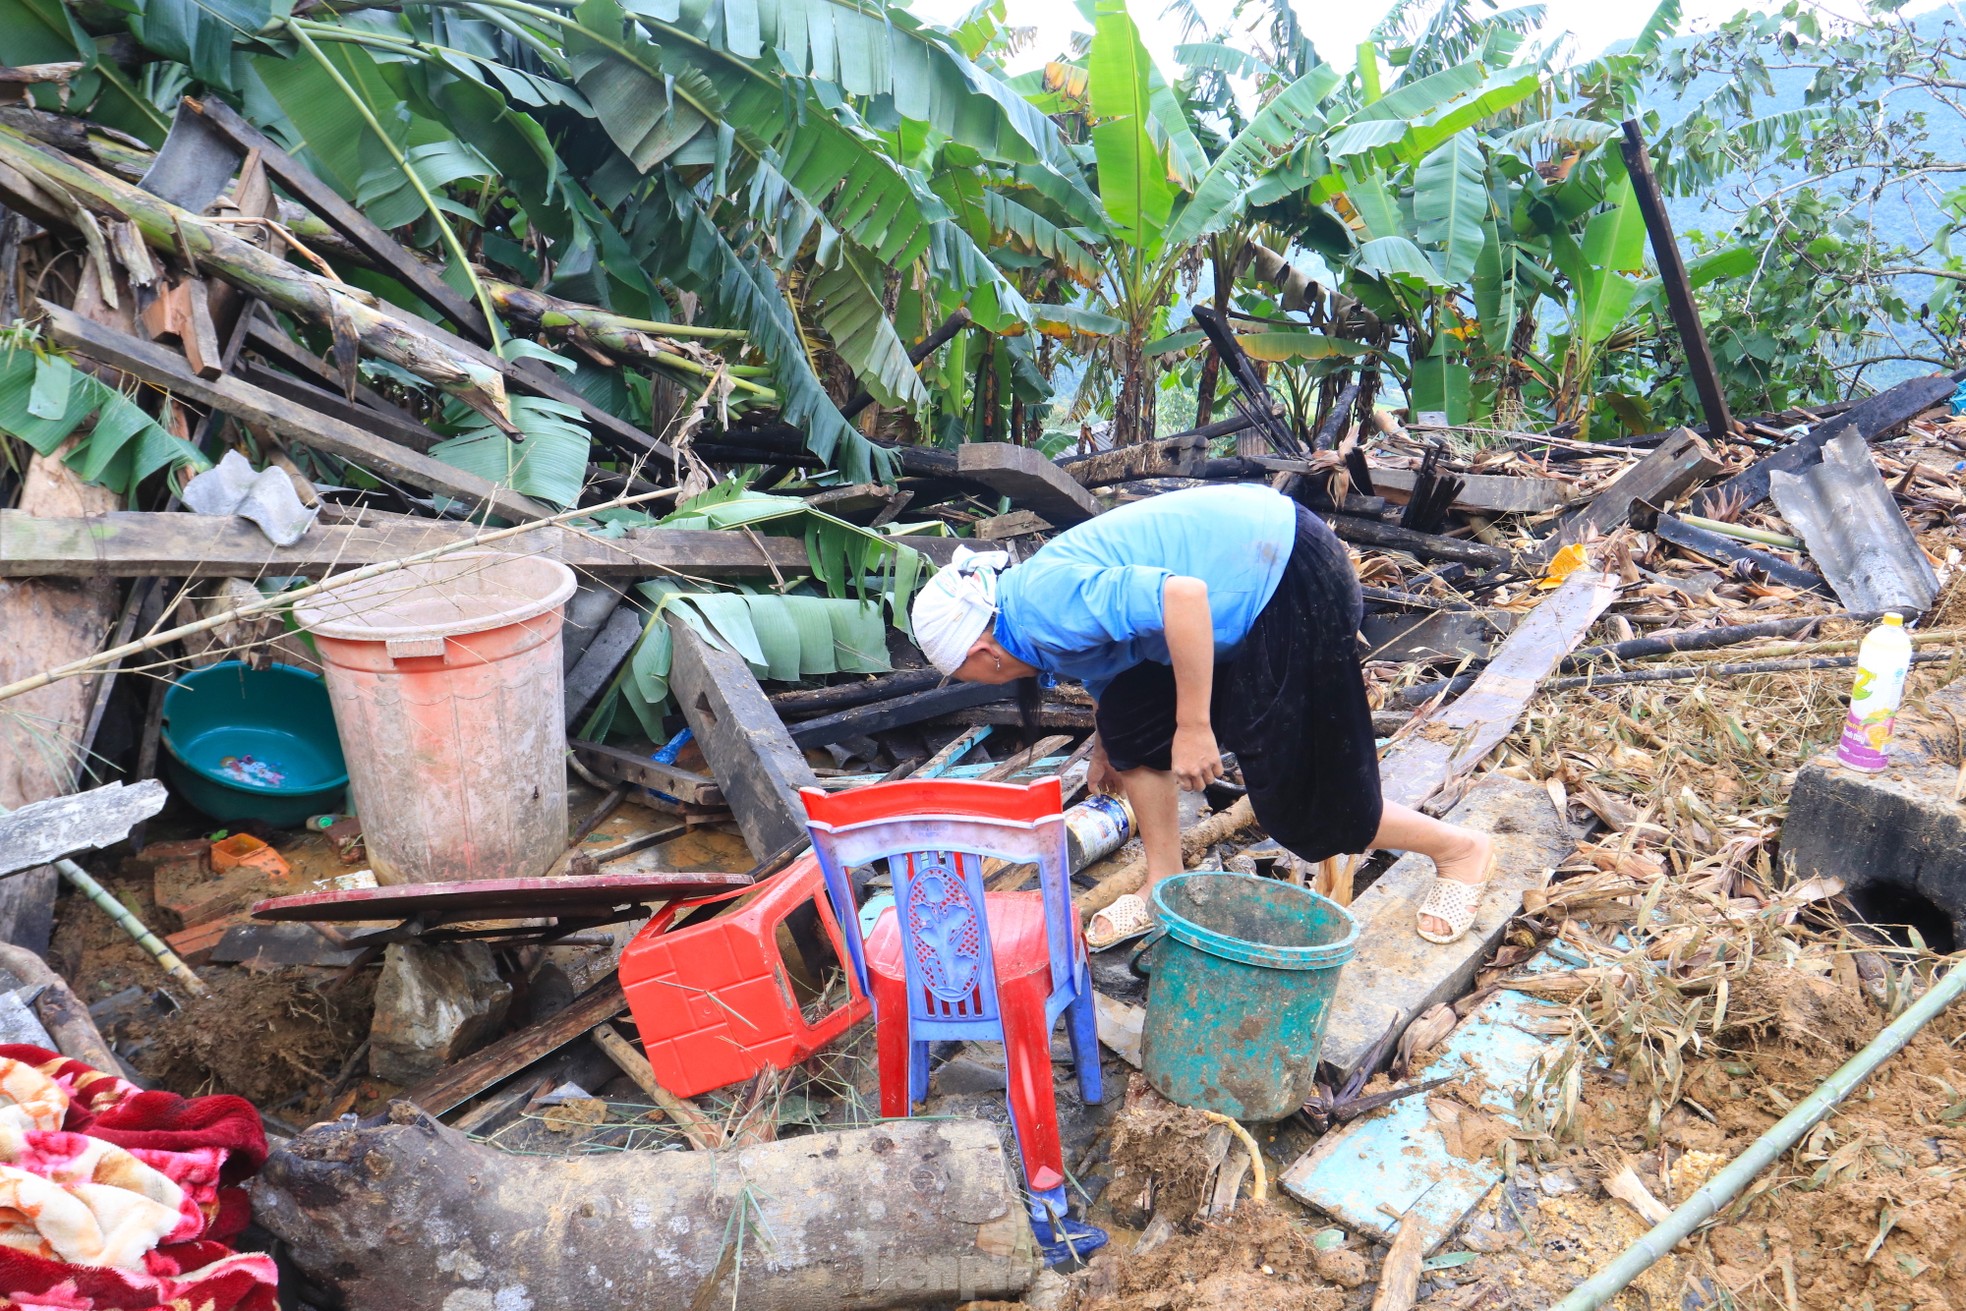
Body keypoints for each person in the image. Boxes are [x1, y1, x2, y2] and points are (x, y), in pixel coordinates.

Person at [908, 483, 1493, 946]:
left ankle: (1458, 850)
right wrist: (1109, 746)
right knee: (1132, 723)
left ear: (980, 651)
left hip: (1286, 577)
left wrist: (1193, 727)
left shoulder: (1039, 608)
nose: (979, 683)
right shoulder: (1028, 624)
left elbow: (1182, 598)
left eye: (967, 675)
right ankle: (1164, 882)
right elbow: (1114, 669)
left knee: (1299, 800)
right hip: (1249, 576)